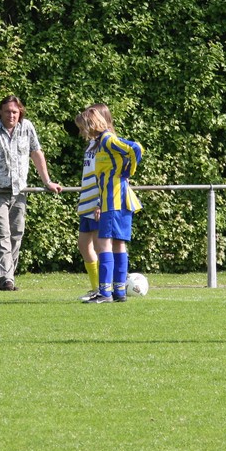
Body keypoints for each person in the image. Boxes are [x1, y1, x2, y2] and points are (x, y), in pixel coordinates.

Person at [0, 96, 62, 292]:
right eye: (7, 111)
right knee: (1, 235)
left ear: (20, 112)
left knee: (16, 235)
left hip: (20, 190)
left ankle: (5, 279)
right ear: (0, 111)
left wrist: (47, 181)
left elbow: (36, 152)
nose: (11, 115)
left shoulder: (27, 127)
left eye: (15, 112)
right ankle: (6, 279)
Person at [80, 105, 143, 304]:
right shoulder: (101, 141)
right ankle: (119, 291)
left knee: (105, 243)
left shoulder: (107, 139)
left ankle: (105, 293)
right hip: (117, 198)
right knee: (118, 244)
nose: (82, 131)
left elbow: (135, 147)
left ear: (91, 124)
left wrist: (128, 170)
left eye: (83, 127)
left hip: (113, 198)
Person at [74, 109, 102, 301]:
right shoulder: (91, 144)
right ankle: (95, 287)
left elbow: (106, 174)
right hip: (87, 200)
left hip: (98, 201)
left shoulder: (105, 144)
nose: (81, 131)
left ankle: (105, 288)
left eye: (83, 126)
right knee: (84, 245)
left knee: (101, 246)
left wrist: (101, 202)